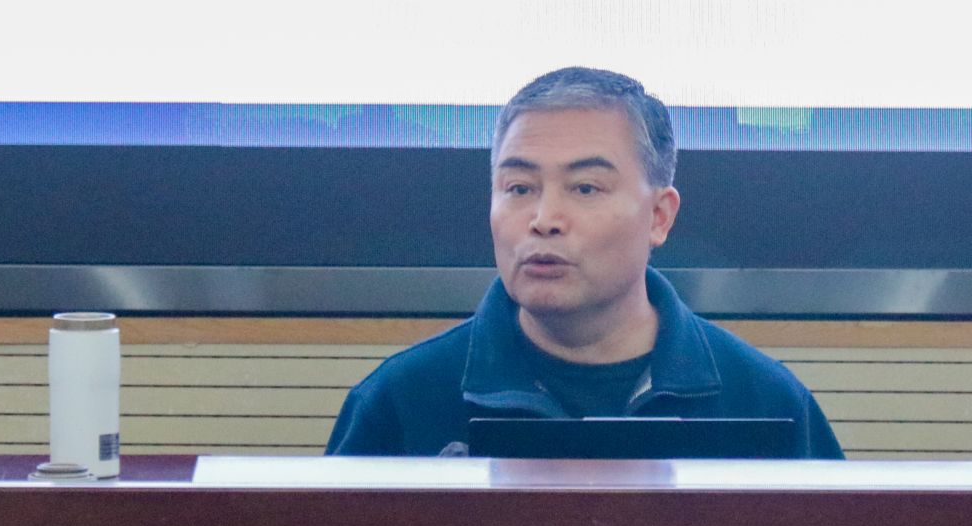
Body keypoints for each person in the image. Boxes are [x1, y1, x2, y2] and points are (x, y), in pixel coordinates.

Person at [325, 67, 845, 459]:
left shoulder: (765, 403)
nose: (544, 219)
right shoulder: (400, 403)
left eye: (585, 188)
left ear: (659, 217)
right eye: (519, 188)